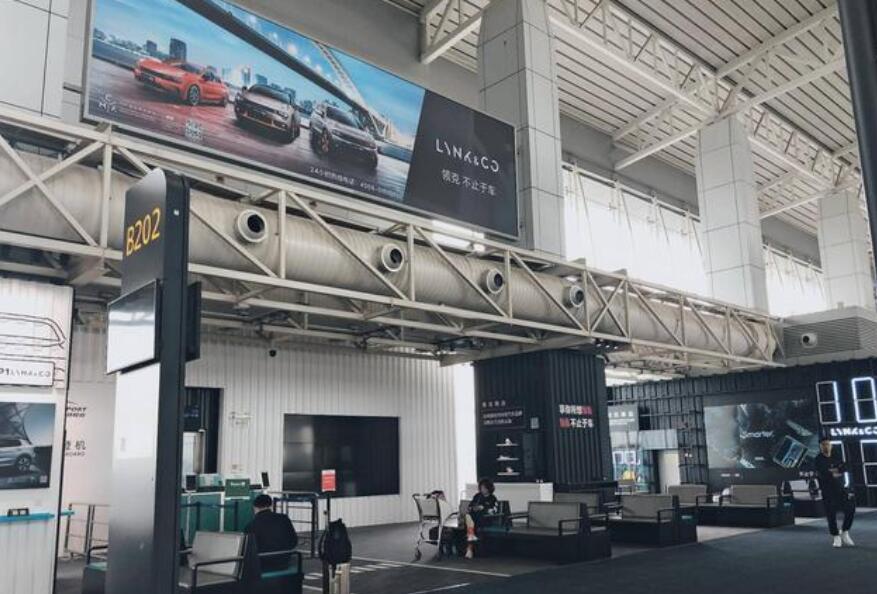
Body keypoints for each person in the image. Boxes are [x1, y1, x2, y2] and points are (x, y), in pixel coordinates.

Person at [814, 438, 855, 548]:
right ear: (820, 447)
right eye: (823, 445)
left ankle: (845, 531)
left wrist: (835, 471)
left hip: (841, 489)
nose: (826, 446)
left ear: (831, 445)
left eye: (828, 444)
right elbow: (823, 473)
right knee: (831, 515)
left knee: (850, 509)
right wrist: (836, 471)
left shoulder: (836, 456)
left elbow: (846, 467)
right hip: (828, 491)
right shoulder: (818, 459)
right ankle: (836, 536)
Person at [245, 494, 299, 571]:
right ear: (271, 506)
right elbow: (294, 541)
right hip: (284, 562)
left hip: (263, 565)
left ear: (255, 507)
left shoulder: (251, 526)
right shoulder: (284, 519)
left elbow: (249, 549)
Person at [463, 478, 499, 559]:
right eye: (481, 488)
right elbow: (470, 507)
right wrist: (474, 508)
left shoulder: (492, 498)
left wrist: (483, 508)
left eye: (484, 488)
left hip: (485, 519)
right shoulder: (477, 496)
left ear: (489, 488)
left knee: (471, 525)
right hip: (474, 518)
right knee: (469, 519)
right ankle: (470, 548)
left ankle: (469, 548)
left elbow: (494, 511)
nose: (482, 490)